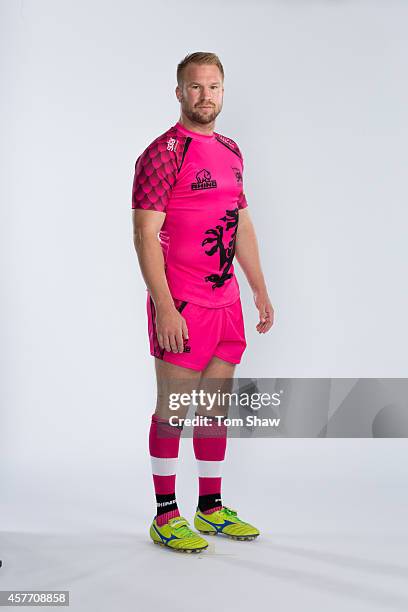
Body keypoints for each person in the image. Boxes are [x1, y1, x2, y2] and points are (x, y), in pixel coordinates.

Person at [131, 52, 274, 553]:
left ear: (222, 91)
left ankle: (210, 508)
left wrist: (257, 286)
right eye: (195, 87)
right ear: (179, 93)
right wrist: (164, 307)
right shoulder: (162, 154)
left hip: (226, 302)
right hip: (182, 303)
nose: (205, 96)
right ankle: (165, 513)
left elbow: (241, 224)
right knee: (174, 409)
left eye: (213, 87)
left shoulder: (232, 150)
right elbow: (145, 236)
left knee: (213, 409)